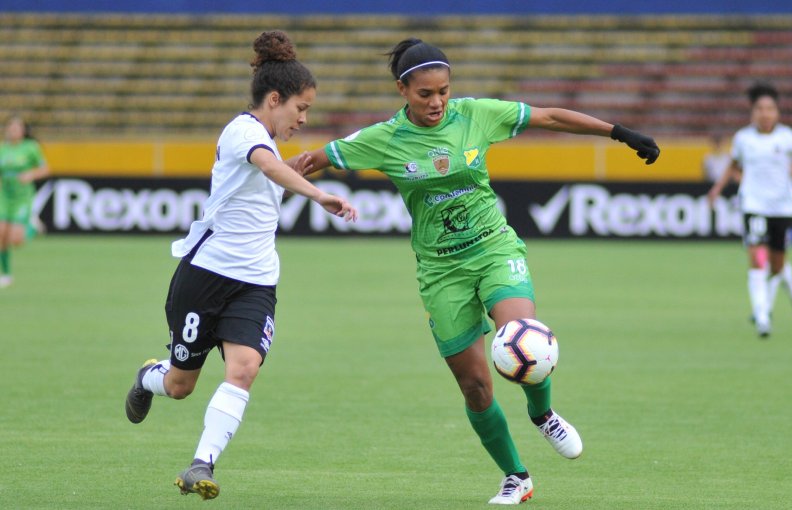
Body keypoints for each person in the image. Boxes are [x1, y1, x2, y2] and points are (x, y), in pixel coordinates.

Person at [292, 38, 660, 505]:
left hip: (493, 247)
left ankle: (542, 414)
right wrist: (254, 186)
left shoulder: (476, 115)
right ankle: (516, 476)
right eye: (425, 93)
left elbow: (548, 116)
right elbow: (310, 163)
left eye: (443, 90)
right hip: (441, 271)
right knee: (475, 385)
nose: (437, 102)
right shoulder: (383, 139)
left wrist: (618, 132)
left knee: (520, 336)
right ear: (402, 89)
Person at [124, 30, 357, 500]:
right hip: (205, 276)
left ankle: (200, 463)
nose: (304, 118)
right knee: (180, 383)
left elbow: (272, 171)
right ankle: (149, 377)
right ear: (275, 99)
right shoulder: (243, 132)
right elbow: (269, 167)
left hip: (255, 283)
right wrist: (319, 195)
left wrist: (313, 163)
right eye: (301, 108)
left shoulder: (266, 143)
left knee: (244, 368)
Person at [707, 81, 792, 338]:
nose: (765, 113)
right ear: (752, 112)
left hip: (784, 208)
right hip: (754, 205)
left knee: (777, 266)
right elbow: (733, 164)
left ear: (777, 112)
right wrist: (717, 189)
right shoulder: (743, 139)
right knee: (757, 259)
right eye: (760, 108)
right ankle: (762, 316)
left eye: (770, 108)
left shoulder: (789, 138)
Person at [0, 115, 50, 288]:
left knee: (16, 240)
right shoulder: (2, 149)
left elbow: (45, 169)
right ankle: (6, 274)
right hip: (5, 196)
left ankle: (32, 226)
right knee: (1, 235)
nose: (13, 130)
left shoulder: (30, 148)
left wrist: (30, 174)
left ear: (23, 131)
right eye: (11, 127)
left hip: (22, 196)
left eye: (17, 127)